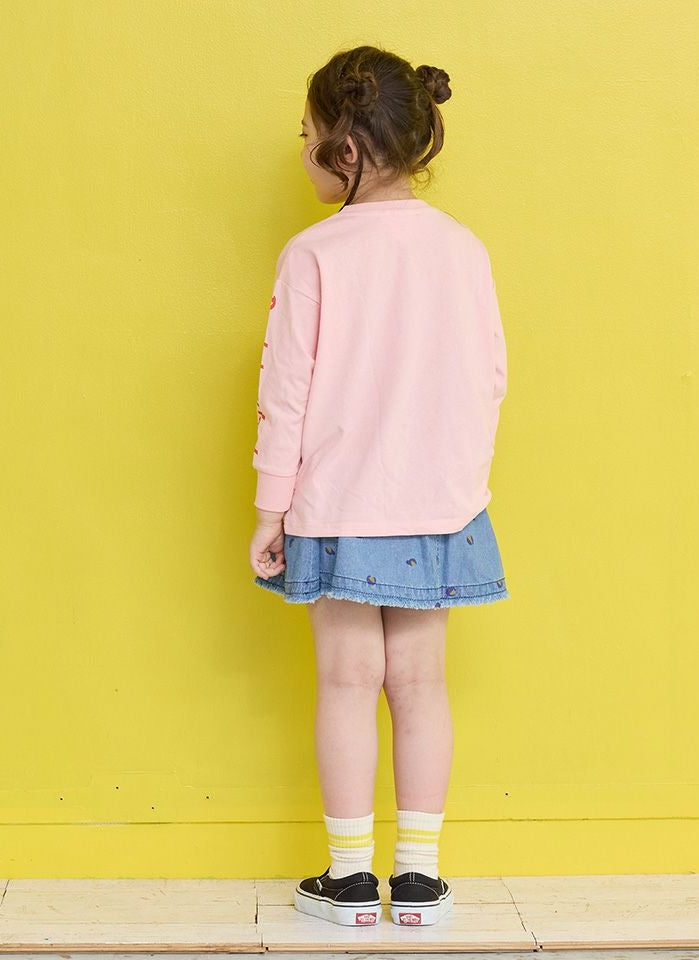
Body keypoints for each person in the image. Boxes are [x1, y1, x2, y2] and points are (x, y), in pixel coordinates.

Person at [248, 44, 509, 928]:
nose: (302, 149)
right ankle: (422, 882)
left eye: (307, 134)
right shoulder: (463, 249)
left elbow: (286, 391)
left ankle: (352, 879)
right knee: (422, 685)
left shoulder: (313, 253)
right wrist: (458, 483)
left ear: (346, 150)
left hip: (339, 505)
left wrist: (271, 508)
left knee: (346, 681)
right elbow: (489, 378)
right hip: (441, 506)